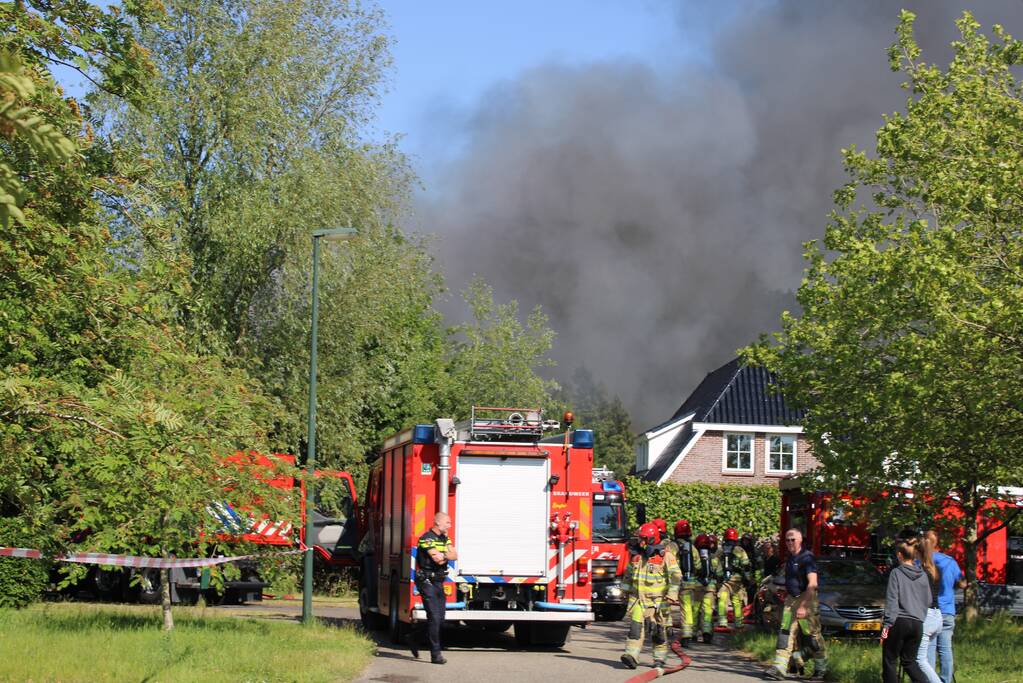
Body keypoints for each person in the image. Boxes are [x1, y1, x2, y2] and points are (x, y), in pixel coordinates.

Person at [765, 528, 827, 681]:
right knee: (785, 633)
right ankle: (779, 668)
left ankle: (820, 669)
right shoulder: (791, 558)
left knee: (812, 637)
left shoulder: (807, 558)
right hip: (790, 601)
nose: (790, 542)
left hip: (806, 601)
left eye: (793, 539)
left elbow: (813, 584)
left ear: (800, 540)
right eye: (787, 540)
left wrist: (803, 606)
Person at [621, 522, 682, 670]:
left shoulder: (666, 556)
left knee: (658, 632)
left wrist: (672, 593)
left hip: (658, 602)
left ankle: (659, 659)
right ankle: (631, 656)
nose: (640, 542)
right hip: (639, 600)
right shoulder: (637, 557)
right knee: (635, 628)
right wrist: (625, 591)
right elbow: (628, 575)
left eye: (643, 539)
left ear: (652, 539)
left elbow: (676, 575)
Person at [881, 536, 932, 683]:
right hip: (917, 624)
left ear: (899, 555)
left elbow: (892, 601)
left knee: (890, 660)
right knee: (910, 661)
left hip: (899, 622)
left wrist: (886, 627)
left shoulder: (896, 573)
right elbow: (928, 600)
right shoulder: (923, 575)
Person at [409, 511, 457, 664]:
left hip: (438, 582)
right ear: (438, 523)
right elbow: (438, 560)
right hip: (426, 581)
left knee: (440, 619)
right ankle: (436, 655)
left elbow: (454, 555)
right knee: (434, 617)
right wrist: (445, 554)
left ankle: (413, 638)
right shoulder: (426, 538)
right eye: (447, 523)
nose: (450, 525)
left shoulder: (445, 538)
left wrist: (444, 555)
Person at [926, 529, 967, 683]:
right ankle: (946, 680)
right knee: (945, 649)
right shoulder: (951, 562)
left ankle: (930, 680)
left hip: (929, 611)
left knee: (928, 648)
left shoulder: (921, 562)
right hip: (947, 611)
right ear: (939, 543)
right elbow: (963, 584)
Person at [664, 519, 702, 646]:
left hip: (675, 581)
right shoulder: (693, 548)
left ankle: (667, 626)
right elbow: (698, 565)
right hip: (689, 582)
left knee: (667, 602)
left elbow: (668, 560)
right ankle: (687, 635)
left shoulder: (672, 546)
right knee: (687, 609)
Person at [716, 528, 750, 630]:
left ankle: (722, 622)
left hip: (724, 581)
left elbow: (715, 563)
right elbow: (746, 564)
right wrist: (747, 578)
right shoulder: (739, 550)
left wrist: (719, 575)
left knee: (722, 600)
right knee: (737, 601)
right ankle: (738, 624)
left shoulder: (720, 550)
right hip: (737, 581)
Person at [694, 532, 719, 644]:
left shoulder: (694, 556)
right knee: (707, 611)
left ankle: (692, 633)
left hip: (696, 587)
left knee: (695, 610)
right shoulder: (714, 558)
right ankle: (707, 633)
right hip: (710, 587)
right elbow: (720, 573)